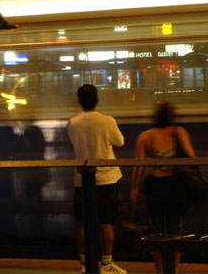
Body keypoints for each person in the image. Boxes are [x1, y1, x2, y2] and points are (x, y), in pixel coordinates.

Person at [131, 101, 197, 273]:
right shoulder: (179, 133)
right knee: (176, 230)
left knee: (157, 231)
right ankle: (173, 269)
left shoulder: (145, 136)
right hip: (175, 185)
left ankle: (159, 269)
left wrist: (134, 188)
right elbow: (192, 157)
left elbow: (138, 166)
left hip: (155, 185)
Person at [67, 84, 126, 274]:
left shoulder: (73, 122)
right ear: (97, 99)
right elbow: (120, 142)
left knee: (83, 223)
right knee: (107, 222)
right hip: (107, 178)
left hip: (82, 179)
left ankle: (84, 263)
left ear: (79, 101)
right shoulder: (107, 121)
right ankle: (107, 264)